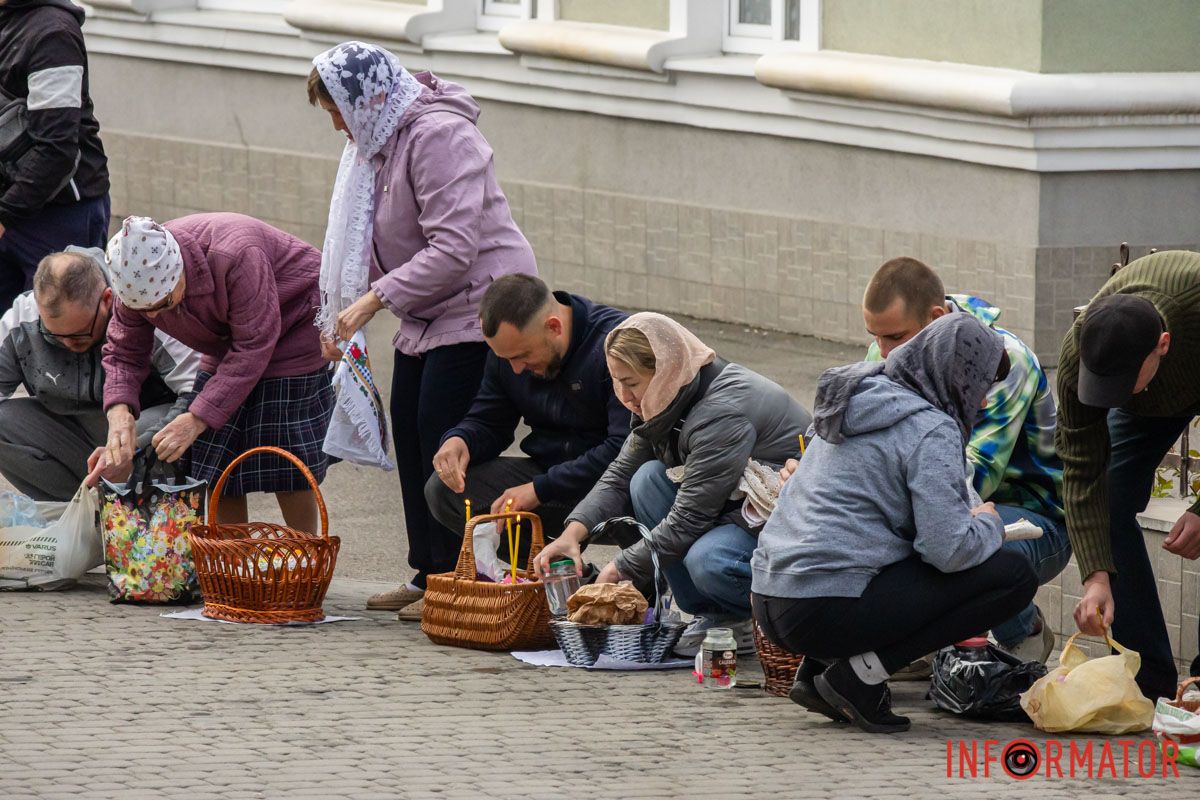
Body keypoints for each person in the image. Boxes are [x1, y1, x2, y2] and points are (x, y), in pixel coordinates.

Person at [307, 41, 537, 612]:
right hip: (428, 308)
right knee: (410, 430)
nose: (337, 124)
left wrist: (369, 302)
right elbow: (374, 237)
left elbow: (456, 248)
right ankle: (431, 572)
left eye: (337, 108)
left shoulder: (439, 136)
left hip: (481, 303)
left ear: (368, 98)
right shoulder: (379, 143)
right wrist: (339, 304)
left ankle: (482, 575)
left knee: (445, 431)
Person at [752, 314, 1038, 734]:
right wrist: (990, 525)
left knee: (878, 543)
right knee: (1012, 575)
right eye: (979, 387)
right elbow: (948, 549)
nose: (980, 402)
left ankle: (816, 675)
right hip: (820, 606)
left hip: (768, 597)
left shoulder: (855, 395)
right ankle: (859, 677)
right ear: (957, 376)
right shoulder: (930, 426)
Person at [534, 312, 812, 656]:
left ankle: (756, 618)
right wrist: (572, 535)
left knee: (707, 559)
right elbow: (619, 474)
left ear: (664, 369)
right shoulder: (667, 395)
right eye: (616, 382)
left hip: (782, 526)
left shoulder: (720, 413)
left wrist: (618, 569)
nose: (624, 396)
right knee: (646, 479)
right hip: (730, 509)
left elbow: (689, 519)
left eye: (632, 383)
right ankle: (711, 614)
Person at [852, 257, 1068, 666]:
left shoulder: (1006, 360)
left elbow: (974, 476)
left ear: (935, 318)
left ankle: (1024, 635)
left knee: (953, 535)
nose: (882, 352)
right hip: (946, 495)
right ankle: (915, 642)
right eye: (875, 338)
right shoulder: (889, 346)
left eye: (894, 337)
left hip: (1033, 521)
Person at [98, 213, 331, 533]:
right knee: (216, 460)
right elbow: (123, 352)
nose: (153, 314)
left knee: (283, 456)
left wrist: (195, 418)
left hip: (297, 321)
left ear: (179, 271)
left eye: (164, 303)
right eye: (144, 309)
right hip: (228, 337)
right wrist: (119, 413)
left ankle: (307, 553)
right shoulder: (136, 286)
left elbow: (253, 346)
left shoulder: (235, 255)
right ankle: (235, 558)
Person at [421, 275, 628, 619]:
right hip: (548, 475)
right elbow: (489, 419)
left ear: (553, 326)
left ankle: (634, 583)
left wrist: (541, 488)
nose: (516, 368)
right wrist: (461, 439)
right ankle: (558, 579)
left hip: (615, 485)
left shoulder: (612, 343)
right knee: (443, 492)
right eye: (506, 359)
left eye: (522, 356)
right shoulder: (509, 353)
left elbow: (623, 450)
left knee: (645, 483)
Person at [1057, 249, 1200, 702]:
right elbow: (1082, 468)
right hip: (1160, 391)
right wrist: (1096, 574)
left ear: (1162, 343)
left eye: (1123, 382)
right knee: (1111, 495)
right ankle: (1150, 679)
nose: (1112, 398)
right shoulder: (1080, 351)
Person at [0, 247, 197, 500]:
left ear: (106, 299)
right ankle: (81, 510)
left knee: (165, 425)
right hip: (70, 433)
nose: (69, 344)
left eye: (79, 333)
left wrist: (135, 446)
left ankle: (140, 508)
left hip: (144, 431)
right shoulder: (22, 319)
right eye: (54, 336)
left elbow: (196, 390)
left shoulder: (143, 305)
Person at [0, 0, 110, 312]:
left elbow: (57, 150)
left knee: (59, 342)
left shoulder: (53, 34)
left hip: (61, 214)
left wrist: (4, 215)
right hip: (12, 210)